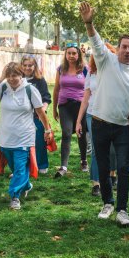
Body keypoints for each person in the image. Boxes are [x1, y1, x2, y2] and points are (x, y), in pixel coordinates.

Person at [79, 1, 129, 225]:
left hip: (123, 127)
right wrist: (89, 23)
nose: (127, 50)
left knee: (124, 168)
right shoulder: (106, 61)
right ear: (116, 49)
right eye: (124, 46)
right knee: (104, 166)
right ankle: (107, 203)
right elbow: (95, 42)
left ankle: (122, 209)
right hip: (99, 123)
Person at [0, 63, 52, 209]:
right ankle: (27, 184)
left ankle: (15, 197)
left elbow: (41, 112)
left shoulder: (30, 90)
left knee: (20, 168)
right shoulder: (3, 88)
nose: (11, 79)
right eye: (8, 76)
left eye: (14, 75)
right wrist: (1, 77)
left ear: (21, 75)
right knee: (15, 167)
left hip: (24, 136)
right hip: (6, 138)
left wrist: (47, 130)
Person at [76, 43, 118, 196]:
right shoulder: (91, 73)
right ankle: (96, 183)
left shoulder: (117, 72)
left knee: (113, 149)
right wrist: (79, 120)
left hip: (112, 114)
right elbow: (86, 97)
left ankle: (113, 174)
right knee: (96, 150)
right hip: (93, 115)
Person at [52, 42, 88, 177]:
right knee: (66, 133)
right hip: (64, 105)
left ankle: (83, 160)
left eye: (74, 53)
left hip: (81, 106)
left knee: (81, 133)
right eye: (69, 53)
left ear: (78, 55)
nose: (71, 56)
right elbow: (56, 89)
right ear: (65, 54)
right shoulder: (61, 69)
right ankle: (63, 166)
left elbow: (90, 88)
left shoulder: (85, 69)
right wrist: (54, 108)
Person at [21, 55, 52, 174]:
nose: (27, 68)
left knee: (39, 141)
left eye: (30, 65)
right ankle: (24, 166)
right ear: (21, 66)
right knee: (22, 142)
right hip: (22, 116)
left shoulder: (40, 80)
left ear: (34, 66)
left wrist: (42, 111)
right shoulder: (18, 79)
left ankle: (42, 165)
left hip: (37, 116)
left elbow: (46, 98)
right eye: (25, 65)